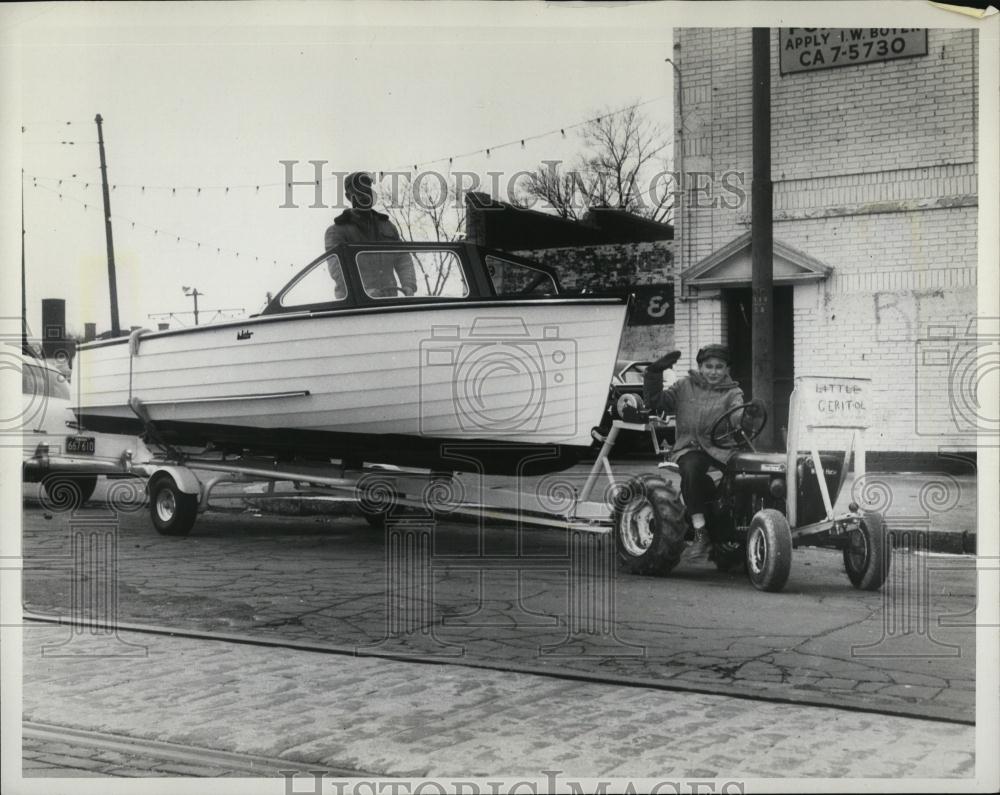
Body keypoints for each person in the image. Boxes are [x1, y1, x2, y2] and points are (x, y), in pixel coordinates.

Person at [643, 344, 745, 561]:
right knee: (691, 469)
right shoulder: (684, 386)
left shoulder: (733, 393)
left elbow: (738, 415)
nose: (713, 372)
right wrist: (654, 373)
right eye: (709, 366)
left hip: (721, 448)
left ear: (727, 369)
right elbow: (656, 401)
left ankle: (734, 529)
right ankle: (700, 533)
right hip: (689, 446)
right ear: (700, 367)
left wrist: (746, 417)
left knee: (744, 475)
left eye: (719, 367)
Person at [324, 171, 417, 298]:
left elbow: (402, 258)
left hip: (389, 301)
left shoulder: (387, 226)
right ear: (348, 197)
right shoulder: (336, 231)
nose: (365, 196)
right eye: (359, 192)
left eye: (367, 191)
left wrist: (408, 285)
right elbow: (338, 269)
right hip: (355, 303)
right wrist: (363, 291)